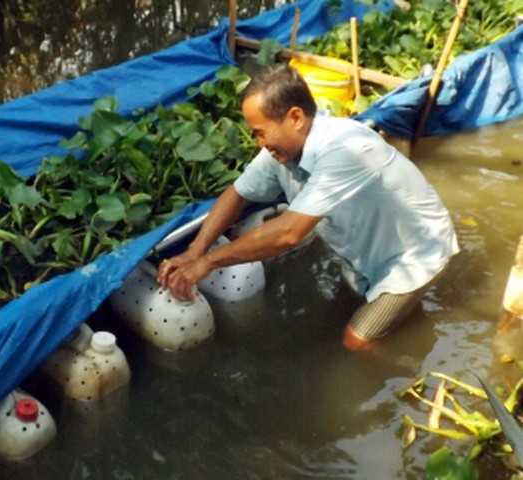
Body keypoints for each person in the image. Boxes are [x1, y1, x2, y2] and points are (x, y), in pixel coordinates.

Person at [157, 64, 459, 351]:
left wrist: (208, 262)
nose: (258, 142)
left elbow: (289, 232)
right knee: (346, 310)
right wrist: (194, 251)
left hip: (413, 255)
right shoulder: (279, 152)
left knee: (358, 341)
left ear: (296, 118)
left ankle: (406, 364)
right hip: (363, 252)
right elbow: (237, 194)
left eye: (260, 131)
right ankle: (401, 312)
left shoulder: (344, 150)